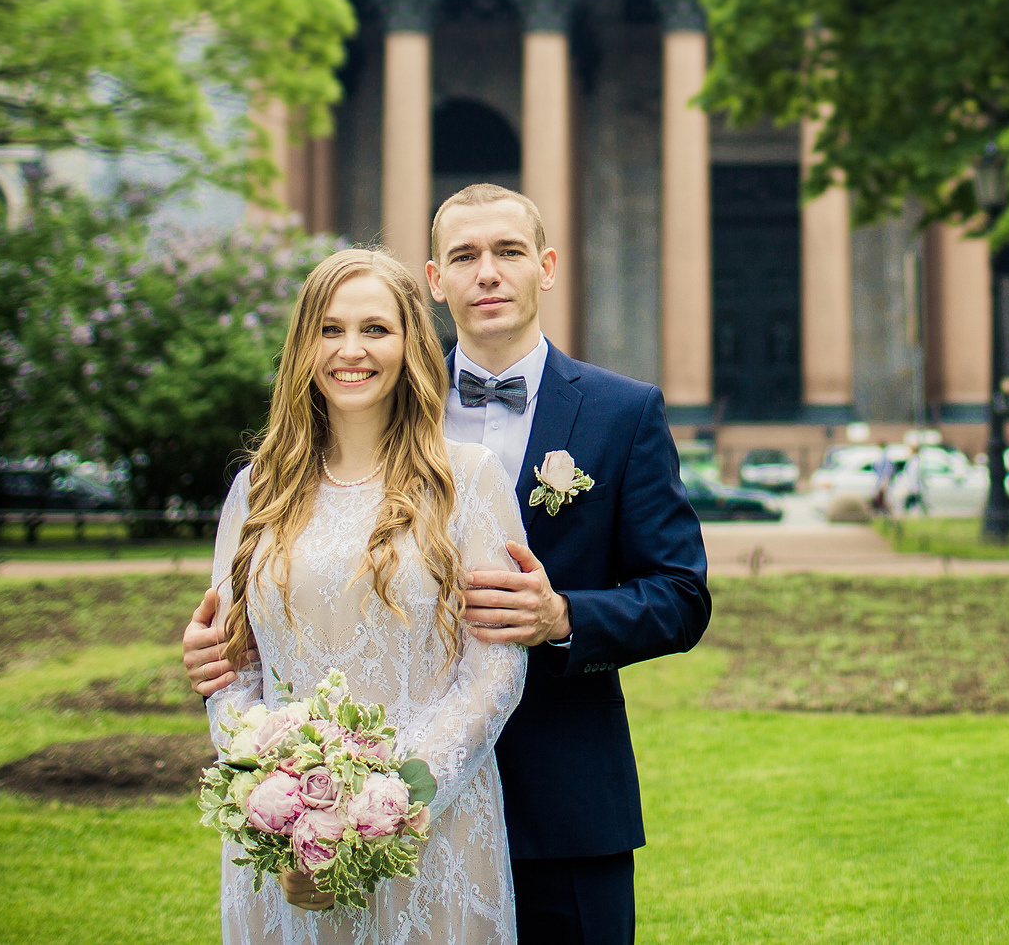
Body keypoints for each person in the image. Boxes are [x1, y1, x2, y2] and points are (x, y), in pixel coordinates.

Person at [188, 184, 711, 945]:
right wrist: (223, 657)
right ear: (435, 281)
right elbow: (279, 599)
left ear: (546, 265)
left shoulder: (621, 412)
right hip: (349, 792)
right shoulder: (381, 392)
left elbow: (681, 593)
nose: (487, 272)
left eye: (508, 251)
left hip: (561, 796)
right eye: (465, 255)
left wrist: (563, 616)